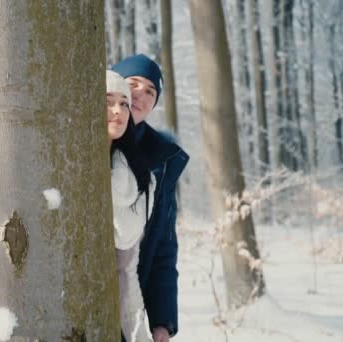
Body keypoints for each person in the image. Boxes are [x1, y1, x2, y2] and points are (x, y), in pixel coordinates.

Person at [112, 54, 190, 342]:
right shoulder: (86, 140)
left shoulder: (163, 159)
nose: (140, 95)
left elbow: (164, 246)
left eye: (150, 91)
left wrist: (162, 320)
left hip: (131, 301)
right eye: (133, 84)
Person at [106, 70, 153, 342]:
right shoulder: (73, 173)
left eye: (124, 103)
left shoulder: (141, 177)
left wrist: (140, 336)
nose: (118, 110)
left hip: (115, 321)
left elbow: (128, 270)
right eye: (108, 101)